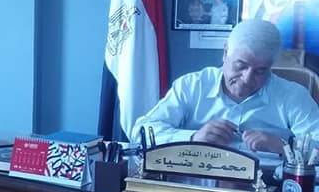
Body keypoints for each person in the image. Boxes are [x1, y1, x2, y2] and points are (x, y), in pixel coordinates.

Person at [132, 19, 319, 151]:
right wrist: (192, 138)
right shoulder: (192, 86)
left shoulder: (293, 96)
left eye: (260, 71)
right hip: (197, 182)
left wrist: (282, 145)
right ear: (225, 52)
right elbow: (140, 132)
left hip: (266, 186)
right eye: (240, 66)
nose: (247, 78)